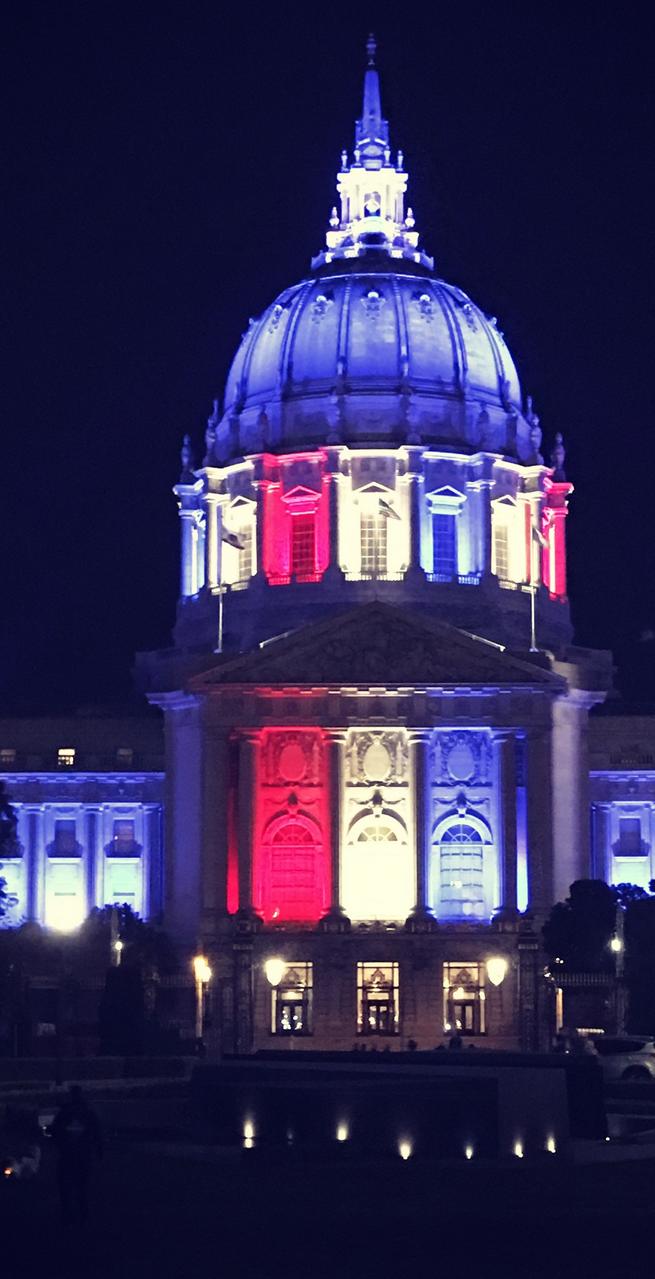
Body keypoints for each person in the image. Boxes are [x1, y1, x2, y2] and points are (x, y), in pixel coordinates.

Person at [50, 1086, 103, 1224]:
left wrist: (60, 1146)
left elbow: (55, 1132)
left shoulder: (64, 1113)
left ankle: (67, 1214)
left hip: (67, 1155)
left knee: (65, 1186)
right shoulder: (88, 1113)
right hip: (83, 1156)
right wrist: (99, 1151)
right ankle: (83, 1214)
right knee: (82, 1186)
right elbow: (97, 1133)